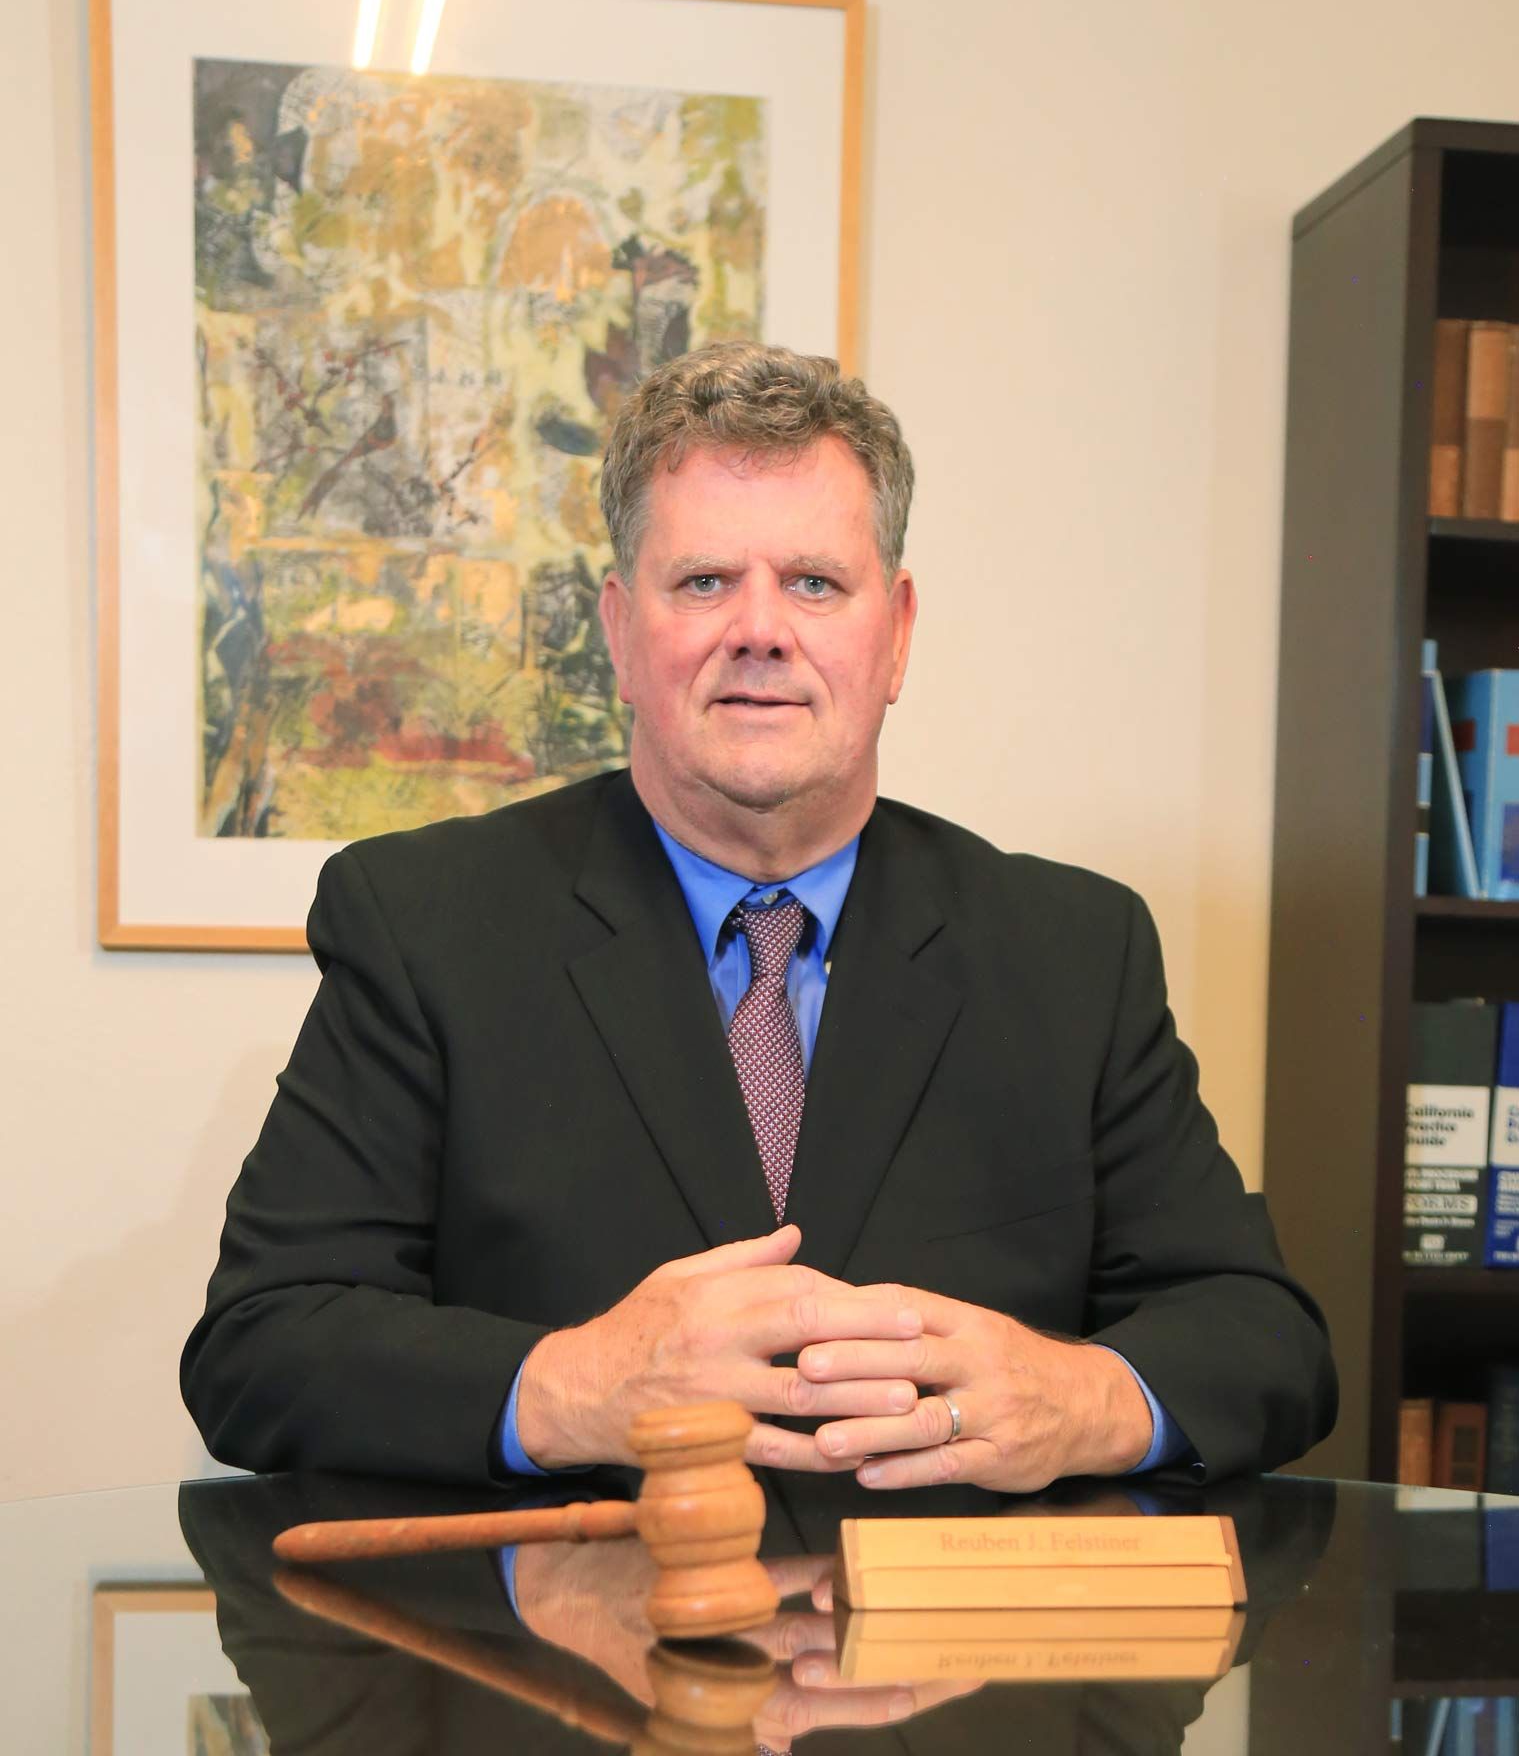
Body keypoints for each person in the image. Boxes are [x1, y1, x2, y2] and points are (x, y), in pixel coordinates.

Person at [182, 341, 1337, 1492]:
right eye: (702, 583)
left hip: (958, 1663)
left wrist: (1082, 1399)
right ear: (621, 634)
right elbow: (260, 1347)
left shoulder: (1073, 951)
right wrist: (580, 1385)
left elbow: (1261, 1337)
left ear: (896, 634)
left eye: (815, 583)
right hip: (556, 1653)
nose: (761, 630)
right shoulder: (423, 924)